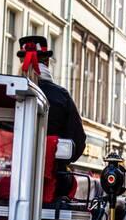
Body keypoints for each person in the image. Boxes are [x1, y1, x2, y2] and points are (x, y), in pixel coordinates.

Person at [17, 35, 86, 196]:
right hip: (53, 183)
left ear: (21, 62)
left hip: (11, 176)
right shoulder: (61, 96)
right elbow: (78, 141)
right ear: (47, 62)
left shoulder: (8, 94)